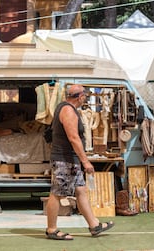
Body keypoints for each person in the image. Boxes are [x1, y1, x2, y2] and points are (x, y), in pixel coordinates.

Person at [45, 84, 114, 240]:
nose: (86, 98)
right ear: (80, 96)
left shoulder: (67, 108)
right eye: (85, 96)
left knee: (81, 190)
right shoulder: (68, 110)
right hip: (65, 159)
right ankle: (51, 229)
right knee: (56, 194)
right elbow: (73, 138)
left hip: (71, 159)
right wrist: (86, 162)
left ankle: (94, 225)